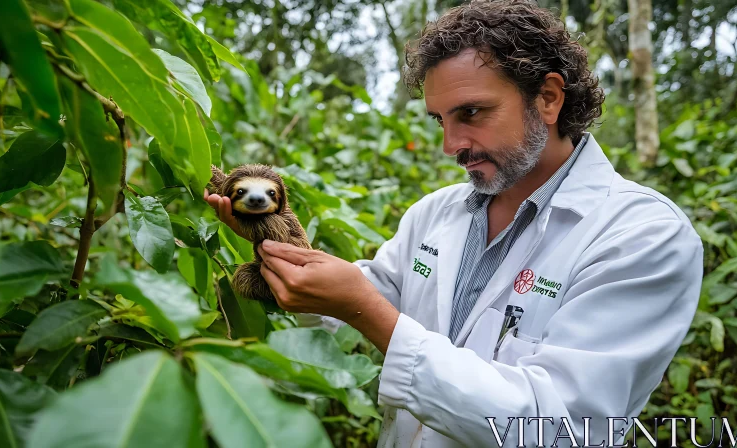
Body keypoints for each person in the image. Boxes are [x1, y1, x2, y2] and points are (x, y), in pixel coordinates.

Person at [205, 1, 704, 446]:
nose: (452, 145)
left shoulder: (640, 235)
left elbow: (559, 427)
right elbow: (355, 302)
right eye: (440, 120)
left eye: (472, 112)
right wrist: (277, 246)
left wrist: (370, 315)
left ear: (549, 99)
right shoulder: (437, 211)